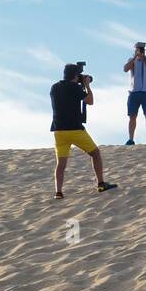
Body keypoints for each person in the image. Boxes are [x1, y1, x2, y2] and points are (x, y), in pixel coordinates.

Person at [50, 63, 116, 199]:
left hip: (58, 130)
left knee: (61, 163)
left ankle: (58, 192)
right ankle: (101, 183)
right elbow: (90, 101)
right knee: (95, 154)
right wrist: (87, 85)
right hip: (75, 129)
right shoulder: (75, 88)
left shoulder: (54, 87)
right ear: (75, 76)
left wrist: (80, 82)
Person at [123, 41, 146, 145]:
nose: (140, 51)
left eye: (141, 49)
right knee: (132, 116)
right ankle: (131, 139)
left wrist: (144, 58)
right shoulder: (131, 60)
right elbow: (125, 69)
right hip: (134, 92)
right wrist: (135, 58)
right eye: (138, 49)